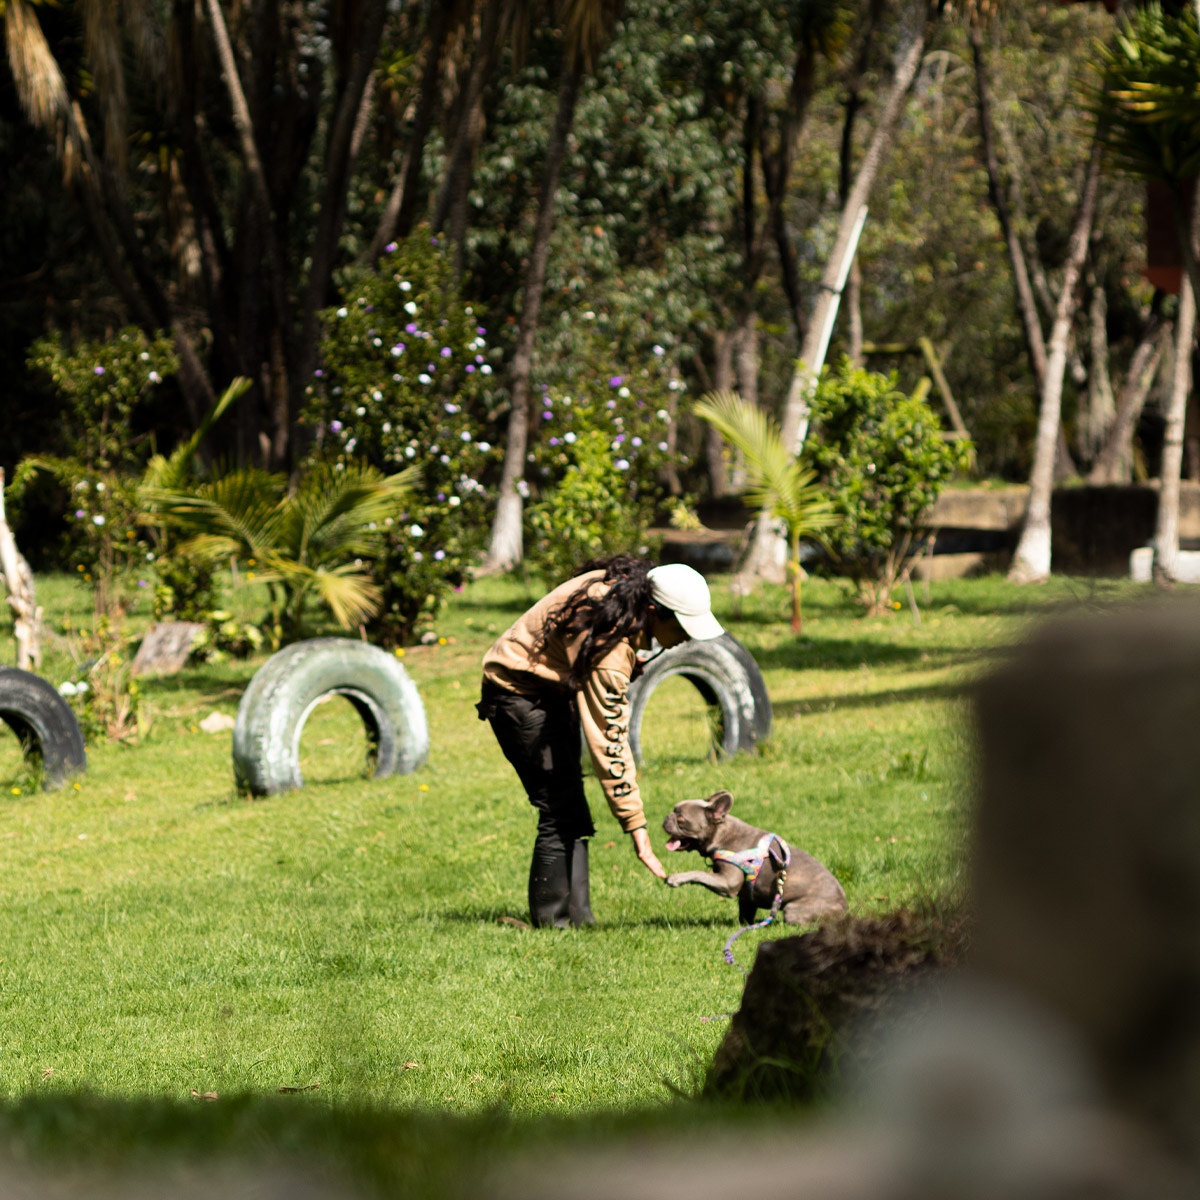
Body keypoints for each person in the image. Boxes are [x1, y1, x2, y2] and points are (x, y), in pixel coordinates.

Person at [476, 555, 725, 927]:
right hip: (516, 693)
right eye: (684, 627)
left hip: (549, 688)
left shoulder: (622, 593)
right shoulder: (608, 646)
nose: (688, 638)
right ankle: (553, 927)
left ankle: (580, 922)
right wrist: (637, 827)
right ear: (654, 610)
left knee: (571, 809)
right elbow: (610, 742)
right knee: (558, 808)